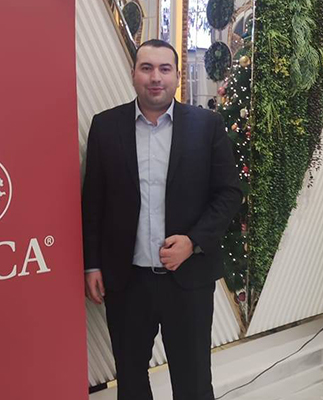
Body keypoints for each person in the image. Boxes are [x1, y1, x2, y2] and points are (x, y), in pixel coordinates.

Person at [82, 39, 242, 400]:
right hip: (127, 281)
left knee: (193, 380)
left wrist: (193, 241)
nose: (156, 77)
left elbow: (229, 193)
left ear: (177, 76)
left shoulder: (207, 125)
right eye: (147, 68)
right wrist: (92, 264)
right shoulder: (105, 127)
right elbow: (93, 202)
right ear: (133, 74)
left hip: (188, 279)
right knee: (131, 379)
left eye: (164, 69)